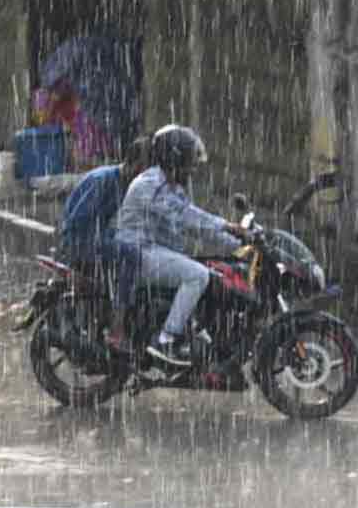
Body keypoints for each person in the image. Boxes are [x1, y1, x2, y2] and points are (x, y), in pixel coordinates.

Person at [115, 124, 247, 366]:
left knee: (211, 271)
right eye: (189, 162)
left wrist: (238, 246)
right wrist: (227, 226)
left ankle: (193, 329)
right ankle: (166, 340)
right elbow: (189, 219)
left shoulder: (169, 184)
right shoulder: (151, 185)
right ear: (174, 159)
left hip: (155, 250)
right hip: (139, 252)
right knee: (197, 276)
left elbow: (193, 222)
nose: (193, 169)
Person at [56, 135, 151, 351]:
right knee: (131, 256)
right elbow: (80, 220)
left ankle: (115, 311)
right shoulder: (104, 179)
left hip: (95, 237)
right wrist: (108, 236)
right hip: (79, 241)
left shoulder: (124, 183)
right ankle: (117, 329)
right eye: (145, 167)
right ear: (135, 164)